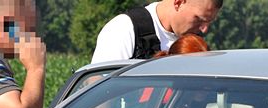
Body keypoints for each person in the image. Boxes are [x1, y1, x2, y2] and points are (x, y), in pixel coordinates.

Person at [91, 0, 222, 63]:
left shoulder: (194, 41)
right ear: (178, 2)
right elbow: (98, 92)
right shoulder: (124, 29)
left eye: (208, 22)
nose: (204, 29)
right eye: (199, 18)